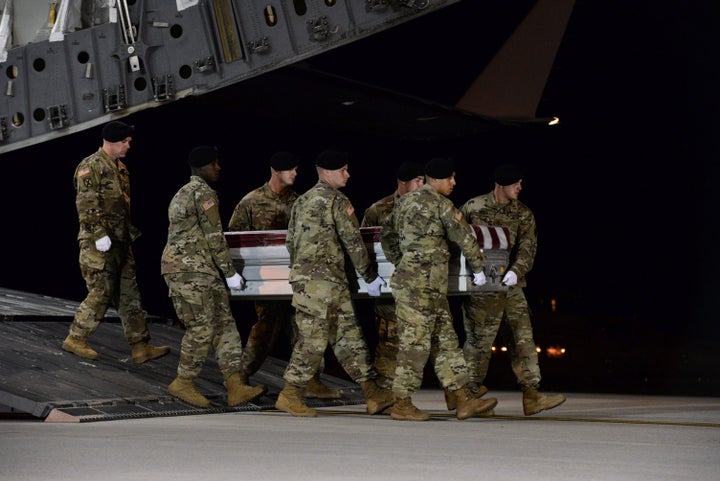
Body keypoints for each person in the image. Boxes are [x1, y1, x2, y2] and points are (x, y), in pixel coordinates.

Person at [277, 150, 394, 417]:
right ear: (328, 172)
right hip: (324, 283)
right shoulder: (337, 200)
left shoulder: (302, 201)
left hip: (317, 283)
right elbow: (353, 242)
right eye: (343, 170)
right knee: (313, 340)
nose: (348, 175)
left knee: (348, 338)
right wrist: (370, 276)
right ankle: (290, 393)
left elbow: (290, 242)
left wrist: (301, 274)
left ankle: (372, 393)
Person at [380, 157, 498, 421]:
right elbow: (464, 237)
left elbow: (386, 234)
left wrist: (400, 259)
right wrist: (478, 269)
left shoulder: (405, 202)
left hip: (426, 286)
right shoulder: (442, 205)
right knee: (416, 343)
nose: (454, 183)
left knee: (446, 342)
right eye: (450, 178)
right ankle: (401, 402)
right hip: (419, 287)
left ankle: (462, 398)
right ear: (435, 180)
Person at [227, 151, 339, 399]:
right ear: (276, 171)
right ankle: (240, 378)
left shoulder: (298, 202)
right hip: (266, 280)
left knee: (305, 329)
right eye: (291, 170)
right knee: (266, 329)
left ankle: (312, 380)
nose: (295, 174)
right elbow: (234, 240)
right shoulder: (251, 202)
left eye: (297, 169)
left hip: (296, 277)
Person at [161, 145, 265, 408]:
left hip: (200, 269)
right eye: (214, 163)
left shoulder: (182, 193)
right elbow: (213, 235)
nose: (218, 168)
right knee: (202, 326)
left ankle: (234, 385)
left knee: (225, 325)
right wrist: (230, 273)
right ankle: (183, 381)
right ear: (202, 167)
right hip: (190, 270)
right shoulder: (203, 193)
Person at [460, 163, 565, 416]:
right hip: (481, 287)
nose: (520, 187)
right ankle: (468, 396)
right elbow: (457, 240)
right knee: (479, 342)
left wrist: (516, 271)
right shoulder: (473, 207)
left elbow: (528, 247)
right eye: (515, 183)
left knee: (523, 337)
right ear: (500, 185)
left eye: (520, 183)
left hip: (511, 285)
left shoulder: (524, 213)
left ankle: (532, 394)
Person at [62, 120, 169, 364]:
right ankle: (76, 338)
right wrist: (99, 235)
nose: (129, 146)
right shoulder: (91, 167)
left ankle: (140, 346)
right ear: (113, 142)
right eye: (125, 142)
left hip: (120, 242)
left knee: (129, 293)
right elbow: (87, 204)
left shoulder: (120, 168)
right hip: (97, 243)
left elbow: (121, 207)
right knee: (102, 291)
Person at [360, 160, 425, 389]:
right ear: (403, 183)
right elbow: (363, 247)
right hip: (388, 288)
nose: (421, 185)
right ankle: (384, 391)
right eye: (417, 181)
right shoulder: (379, 209)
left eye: (423, 181)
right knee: (390, 342)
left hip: (418, 287)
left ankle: (403, 392)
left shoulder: (426, 207)